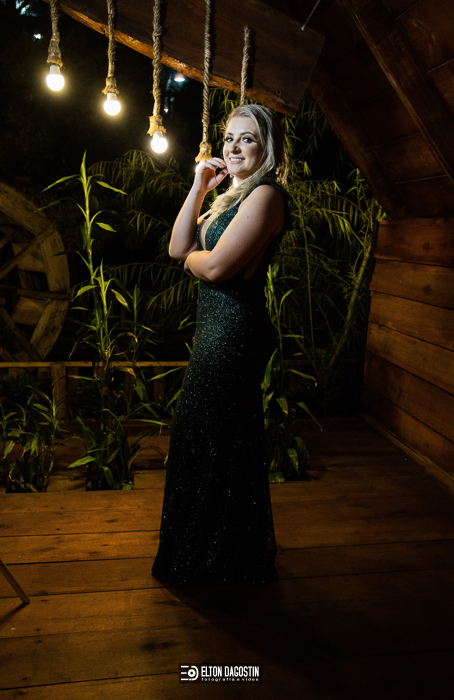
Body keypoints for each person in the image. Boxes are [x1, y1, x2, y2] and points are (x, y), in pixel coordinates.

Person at [151, 104, 291, 587]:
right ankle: (211, 550)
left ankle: (219, 558)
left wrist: (195, 260)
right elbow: (177, 247)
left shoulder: (266, 196)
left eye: (246, 138)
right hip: (214, 330)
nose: (233, 147)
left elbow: (212, 268)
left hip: (235, 331)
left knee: (216, 436)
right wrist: (198, 187)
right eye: (229, 137)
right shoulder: (231, 196)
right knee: (206, 434)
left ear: (267, 147)